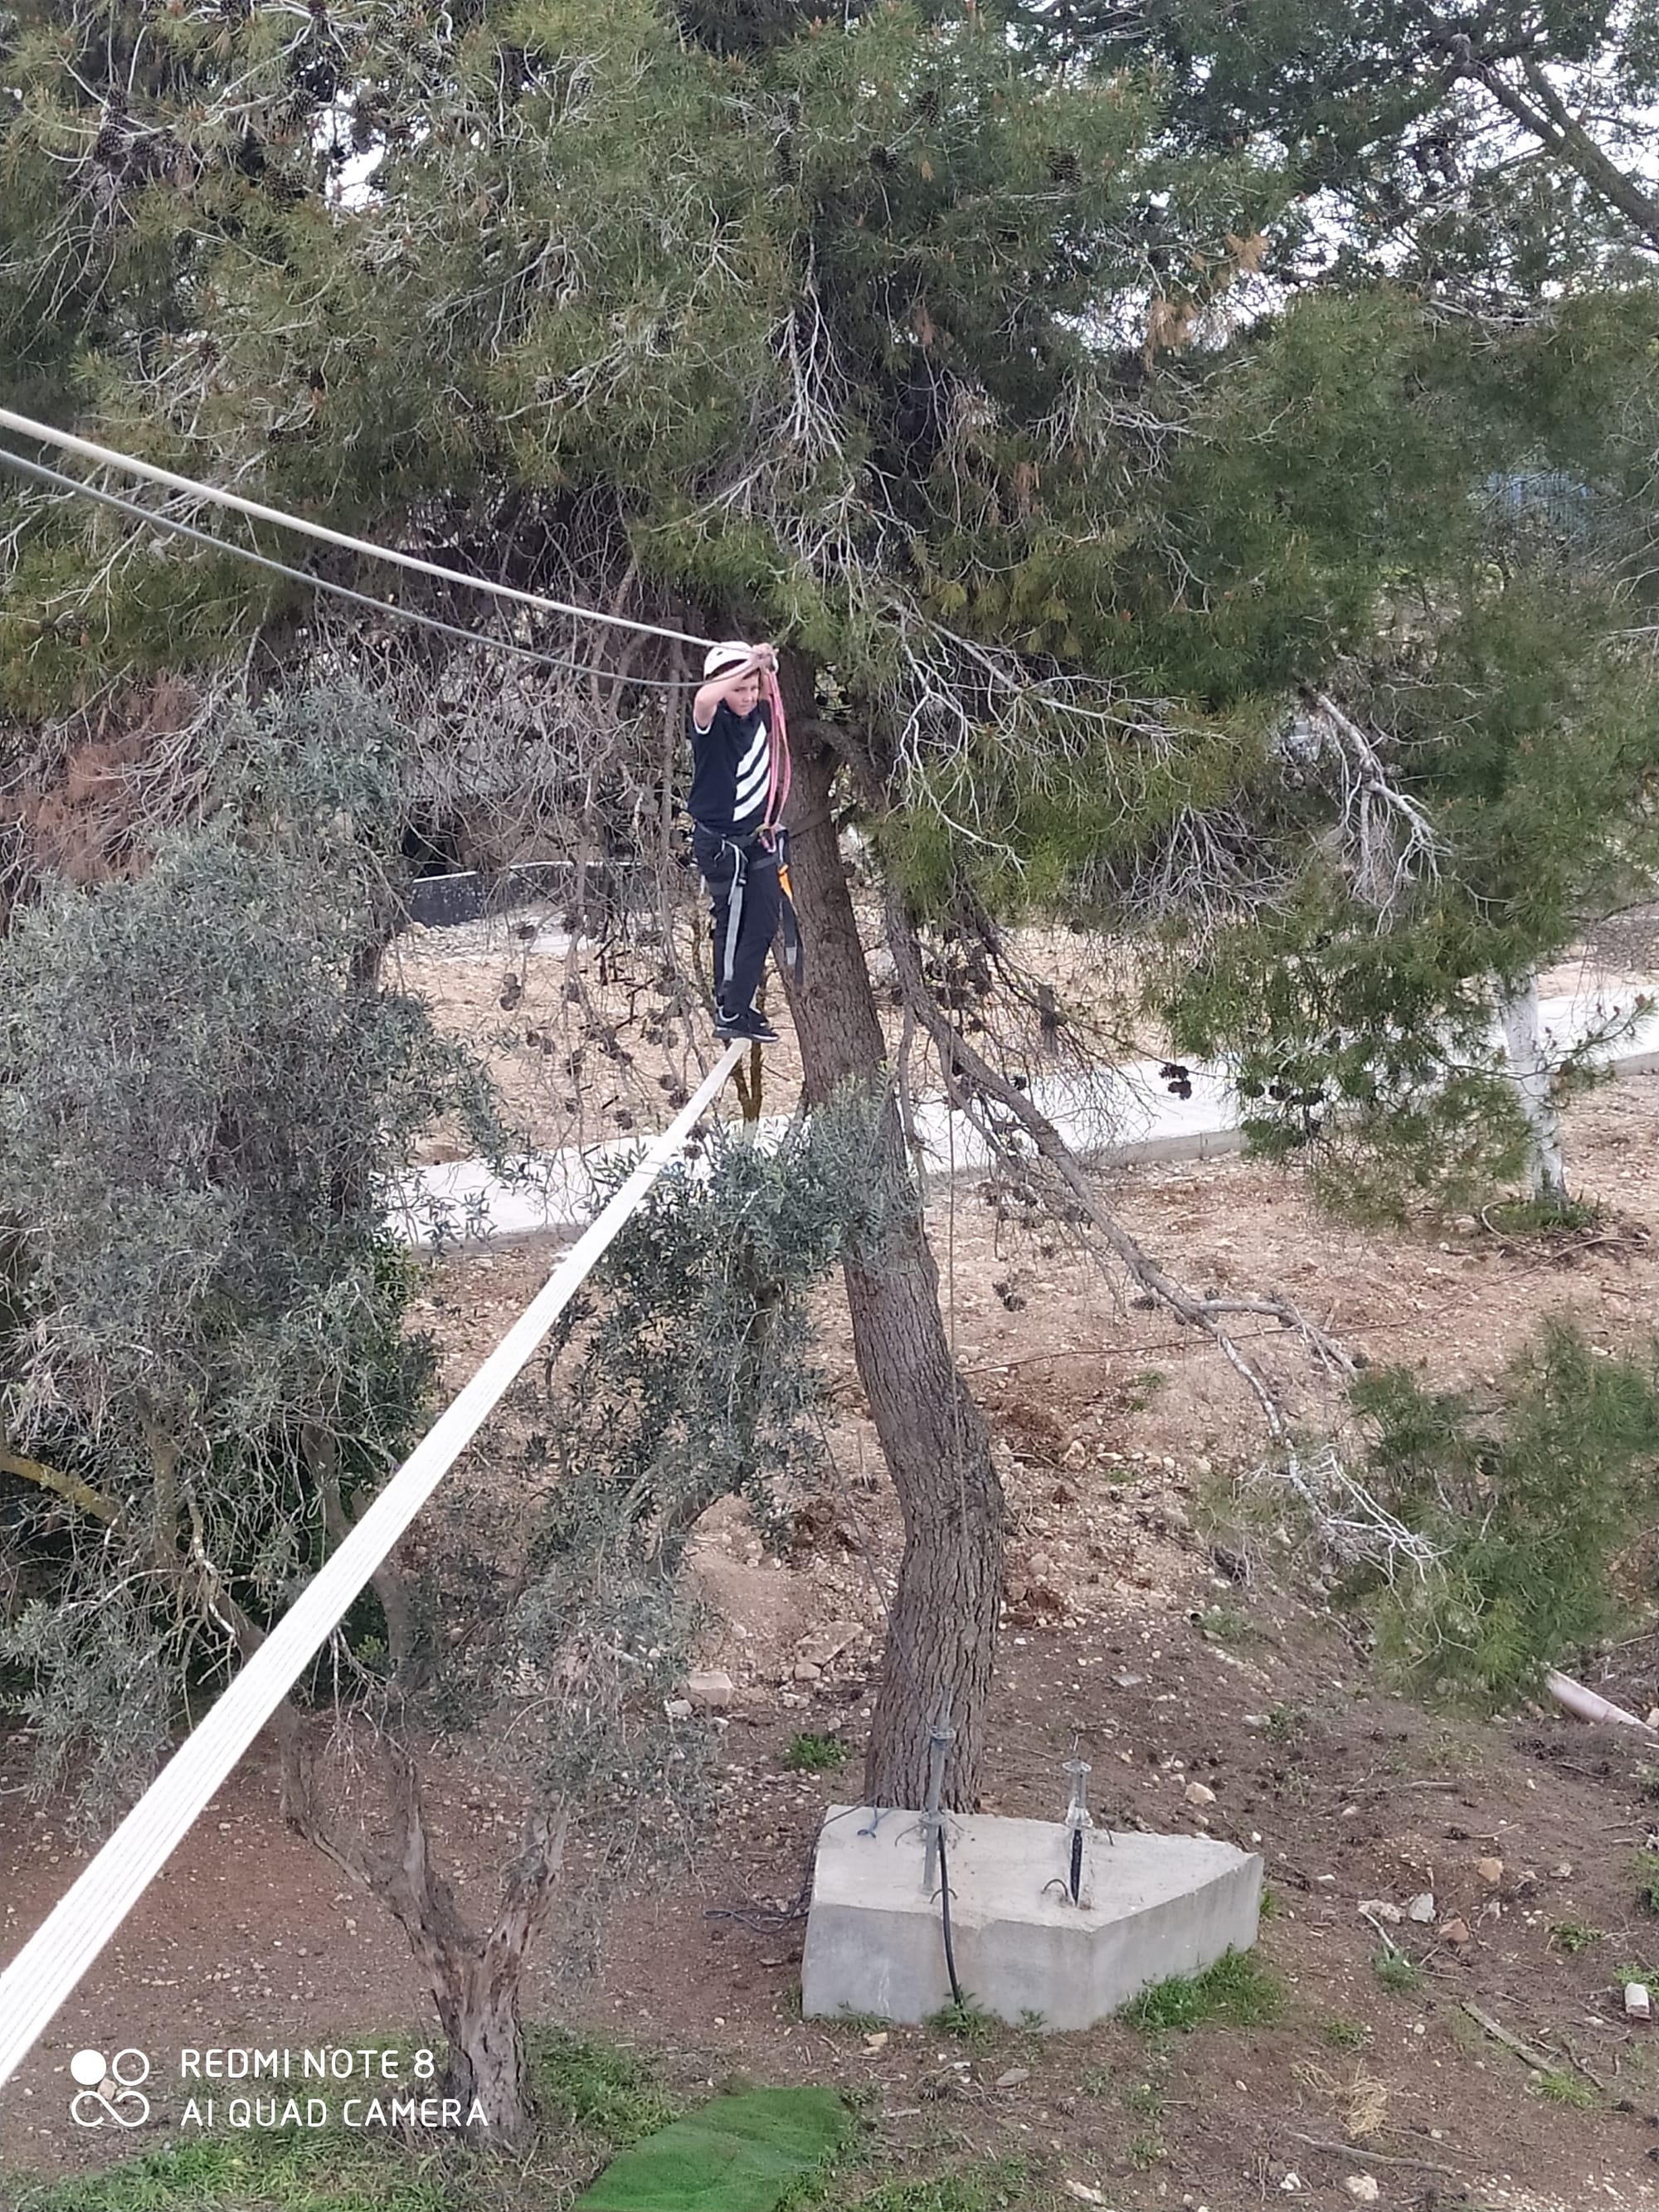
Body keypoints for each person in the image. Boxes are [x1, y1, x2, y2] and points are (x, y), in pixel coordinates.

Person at [687, 639, 795, 1043]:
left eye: (752, 689)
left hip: (756, 840)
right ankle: (729, 1008)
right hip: (720, 844)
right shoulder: (711, 725)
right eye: (740, 690)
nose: (749, 697)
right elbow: (704, 697)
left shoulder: (761, 710)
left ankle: (740, 1005)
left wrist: (763, 662)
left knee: (764, 920)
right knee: (732, 922)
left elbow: (770, 679)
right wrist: (749, 662)